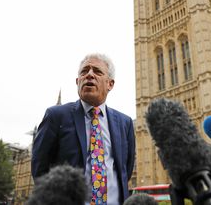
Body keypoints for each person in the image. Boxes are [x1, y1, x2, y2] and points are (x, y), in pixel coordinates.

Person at [31, 53, 136, 205]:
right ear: (77, 81)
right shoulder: (56, 115)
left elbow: (126, 168)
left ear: (110, 84)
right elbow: (39, 167)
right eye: (84, 71)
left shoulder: (124, 123)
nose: (89, 75)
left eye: (97, 71)